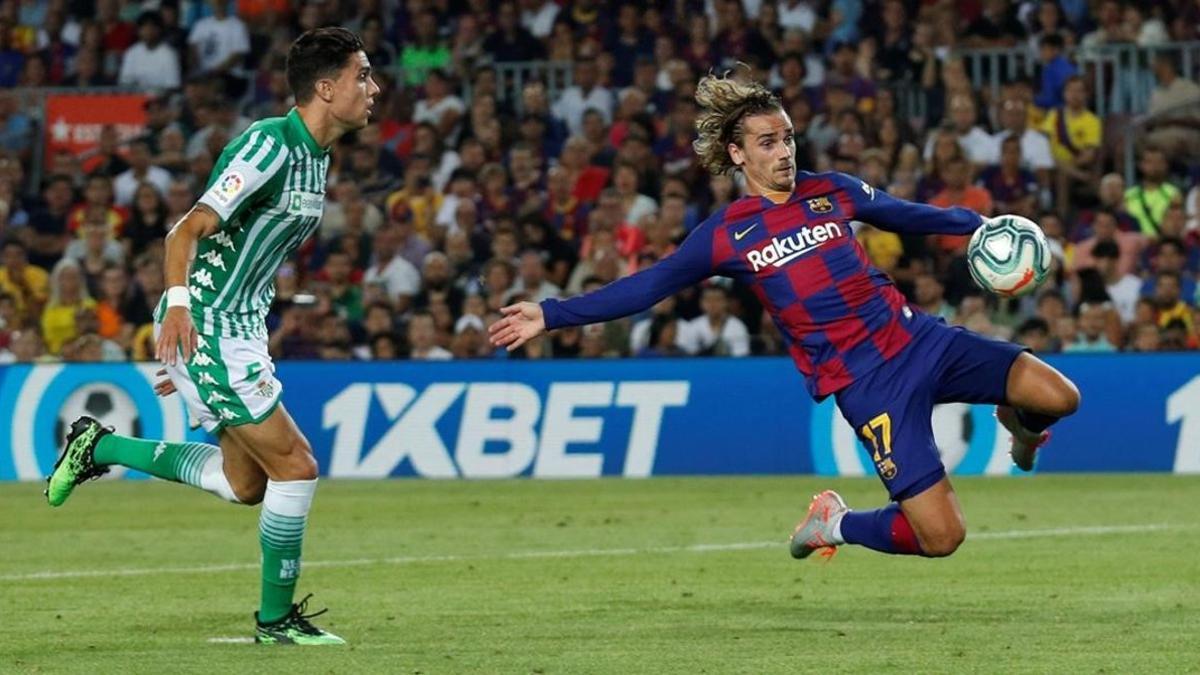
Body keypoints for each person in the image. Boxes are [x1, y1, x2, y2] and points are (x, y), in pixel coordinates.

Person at [489, 72, 1080, 560]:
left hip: (921, 340)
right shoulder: (725, 235)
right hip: (868, 385)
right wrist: (552, 312)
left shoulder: (833, 191)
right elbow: (649, 285)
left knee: (1061, 397)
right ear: (738, 153)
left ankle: (1018, 423)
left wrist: (980, 226)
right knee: (942, 538)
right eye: (768, 143)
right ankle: (836, 522)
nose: (784, 152)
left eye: (788, 139)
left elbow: (910, 214)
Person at [44, 27, 379, 645]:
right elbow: (183, 232)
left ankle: (100, 447)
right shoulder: (269, 146)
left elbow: (250, 247)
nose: (373, 88)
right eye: (362, 75)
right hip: (210, 324)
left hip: (241, 327)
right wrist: (178, 313)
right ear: (326, 88)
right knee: (296, 465)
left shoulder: (318, 155)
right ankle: (275, 621)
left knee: (246, 484)